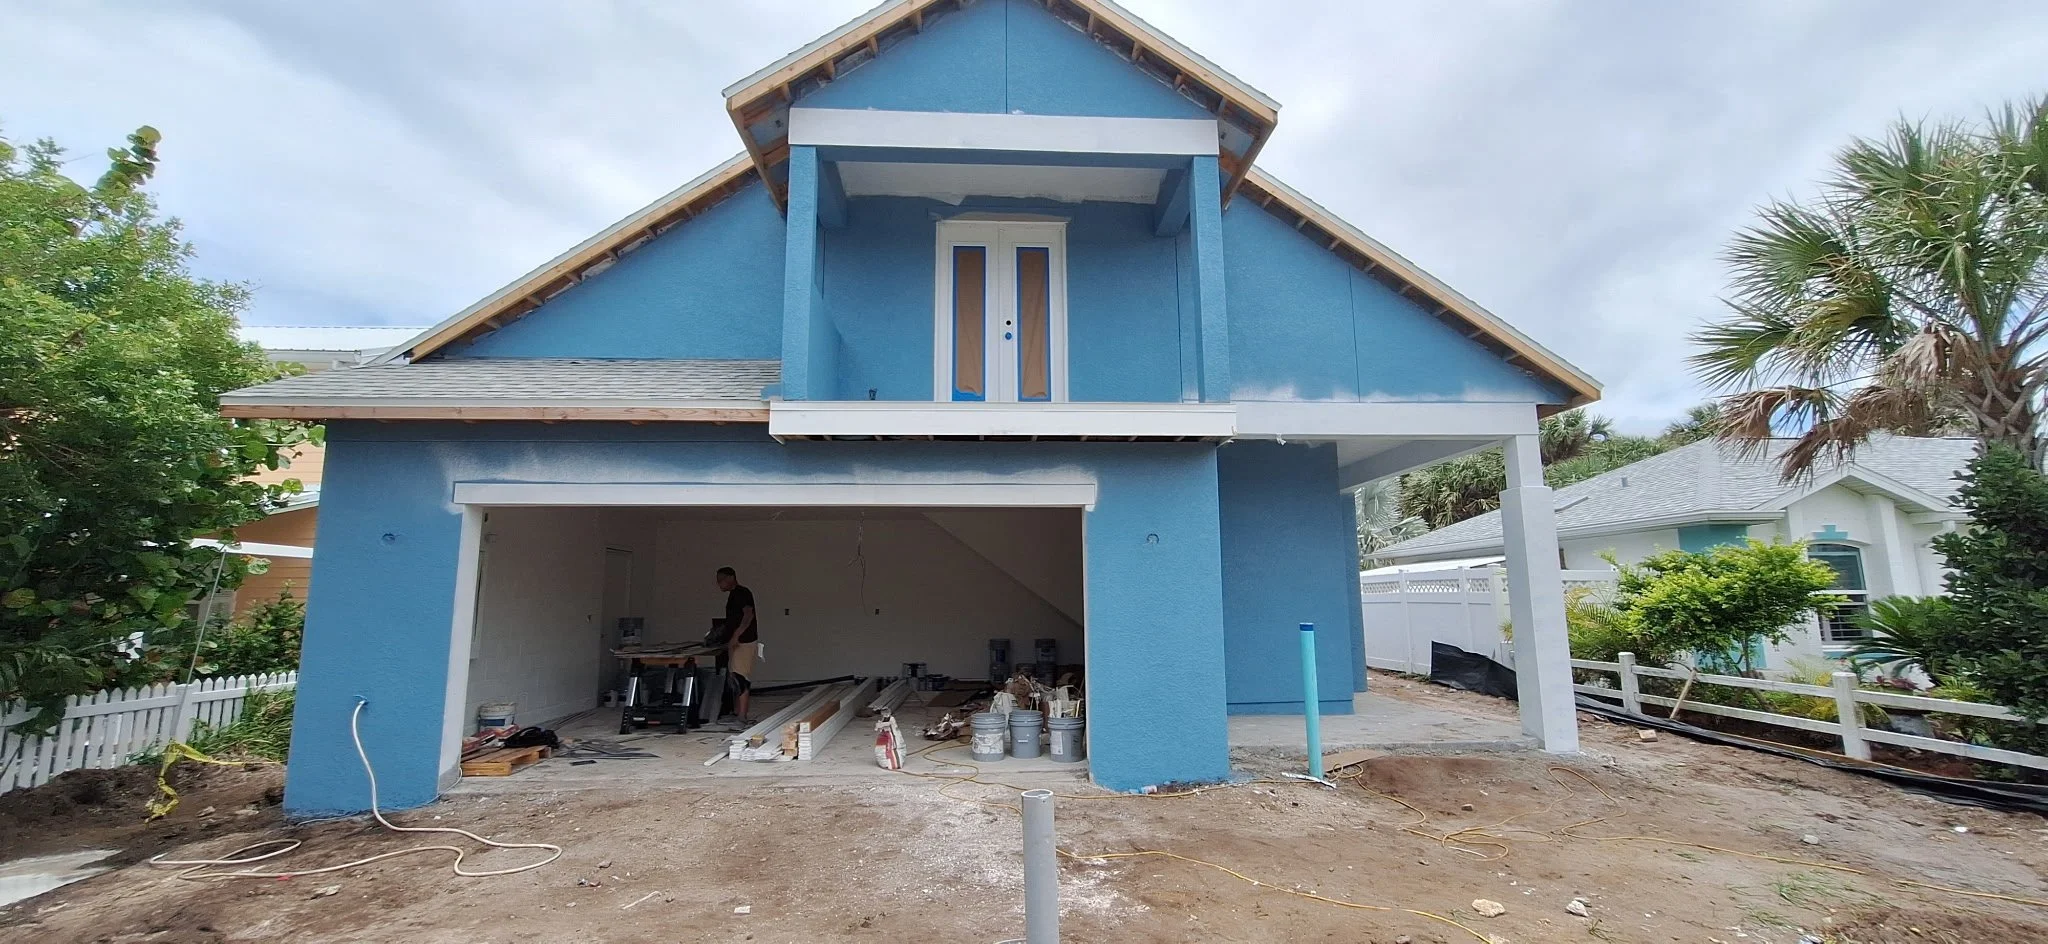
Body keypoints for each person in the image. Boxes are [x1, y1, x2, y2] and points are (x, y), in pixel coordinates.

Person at [715, 566, 760, 723]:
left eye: (721, 580)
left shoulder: (742, 593)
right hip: (737, 642)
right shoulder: (734, 595)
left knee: (740, 677)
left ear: (730, 578)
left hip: (744, 642)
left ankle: (742, 715)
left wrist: (735, 636)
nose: (719, 584)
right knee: (734, 675)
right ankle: (736, 711)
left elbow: (748, 616)